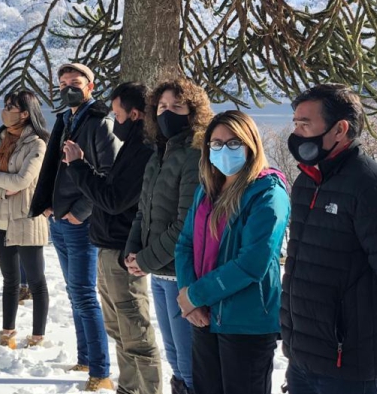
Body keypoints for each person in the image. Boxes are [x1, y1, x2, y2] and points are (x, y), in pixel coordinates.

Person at [281, 84, 377, 394]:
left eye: (305, 124)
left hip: (349, 368)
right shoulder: (307, 181)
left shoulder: (374, 190)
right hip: (302, 358)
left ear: (340, 129)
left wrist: (373, 337)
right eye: (295, 124)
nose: (298, 134)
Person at [174, 110, 290, 394]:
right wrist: (190, 295)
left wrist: (196, 295)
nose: (224, 150)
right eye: (216, 143)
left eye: (233, 143)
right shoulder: (207, 190)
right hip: (204, 317)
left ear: (250, 145)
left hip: (246, 322)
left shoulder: (267, 193)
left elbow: (252, 263)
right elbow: (185, 244)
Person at [63, 82, 162, 394]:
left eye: (117, 114)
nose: (113, 121)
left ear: (134, 114)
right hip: (108, 246)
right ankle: (129, 387)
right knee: (118, 328)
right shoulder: (130, 146)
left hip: (125, 251)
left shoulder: (144, 151)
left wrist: (79, 167)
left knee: (135, 331)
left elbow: (114, 199)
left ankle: (146, 389)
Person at [29, 63, 120, 392]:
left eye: (76, 83)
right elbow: (55, 168)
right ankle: (85, 358)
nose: (69, 87)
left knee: (84, 295)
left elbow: (109, 174)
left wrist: (80, 212)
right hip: (59, 218)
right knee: (74, 293)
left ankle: (101, 371)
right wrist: (50, 206)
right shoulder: (65, 119)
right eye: (64, 83)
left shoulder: (99, 122)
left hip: (80, 222)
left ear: (91, 86)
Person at [124, 77, 213, 394]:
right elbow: (143, 213)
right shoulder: (157, 155)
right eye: (162, 106)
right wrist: (133, 251)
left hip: (181, 274)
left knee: (190, 365)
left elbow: (186, 223)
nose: (167, 113)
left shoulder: (194, 156)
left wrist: (146, 259)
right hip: (159, 274)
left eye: (177, 106)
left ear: (193, 112)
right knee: (175, 358)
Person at [0, 90, 50, 349]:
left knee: (36, 281)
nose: (5, 110)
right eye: (5, 105)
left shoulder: (38, 144)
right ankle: (7, 331)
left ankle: (38, 335)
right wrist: (2, 189)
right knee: (10, 279)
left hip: (26, 220)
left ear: (25, 113)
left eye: (11, 107)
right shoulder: (0, 139)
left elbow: (22, 181)